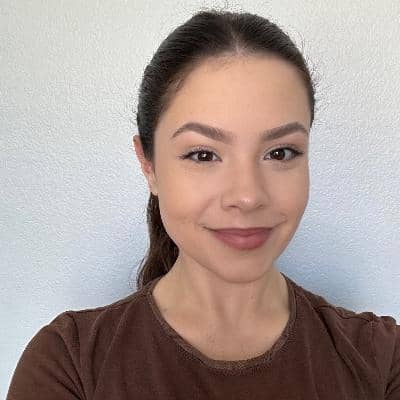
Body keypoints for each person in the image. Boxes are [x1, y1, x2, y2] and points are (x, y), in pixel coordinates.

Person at [7, 9, 399, 400]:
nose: (247, 196)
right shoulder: (69, 365)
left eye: (280, 153)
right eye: (203, 155)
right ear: (149, 165)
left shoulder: (382, 359)